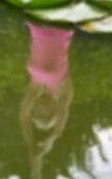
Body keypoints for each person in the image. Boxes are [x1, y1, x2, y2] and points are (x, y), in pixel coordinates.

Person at [20, 23, 74, 179]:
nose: (39, 110)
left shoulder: (34, 87)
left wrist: (32, 149)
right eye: (45, 115)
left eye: (36, 113)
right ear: (54, 110)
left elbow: (24, 118)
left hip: (37, 23)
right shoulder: (63, 89)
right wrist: (50, 141)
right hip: (61, 27)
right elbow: (59, 127)